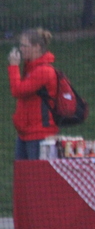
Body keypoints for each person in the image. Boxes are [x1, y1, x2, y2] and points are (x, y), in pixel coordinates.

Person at [7, 28, 59, 160]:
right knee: (22, 177)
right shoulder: (31, 68)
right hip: (25, 132)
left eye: (24, 45)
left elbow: (18, 91)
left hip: (40, 134)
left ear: (36, 47)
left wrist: (13, 66)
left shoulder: (44, 71)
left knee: (36, 179)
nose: (21, 49)